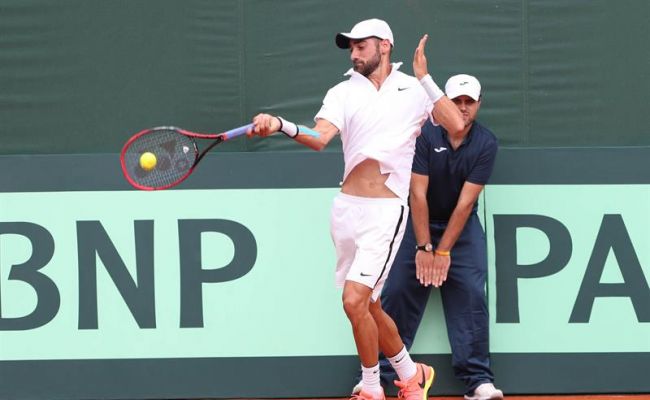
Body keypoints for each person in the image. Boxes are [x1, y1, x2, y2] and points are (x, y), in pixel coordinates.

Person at [248, 18, 464, 400]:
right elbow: (320, 138)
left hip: (386, 212)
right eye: (351, 47)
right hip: (347, 210)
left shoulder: (412, 89)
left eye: (360, 45)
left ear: (384, 45)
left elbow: (455, 125)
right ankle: (413, 375)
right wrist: (280, 124)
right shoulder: (342, 92)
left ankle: (370, 387)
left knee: (352, 300)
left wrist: (426, 79)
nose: (354, 52)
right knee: (371, 304)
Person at [352, 74, 503, 400]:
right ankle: (380, 377)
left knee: (472, 295)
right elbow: (416, 194)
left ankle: (478, 381)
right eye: (456, 101)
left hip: (460, 231)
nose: (463, 108)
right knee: (392, 294)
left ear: (479, 104)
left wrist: (442, 252)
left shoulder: (486, 143)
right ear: (443, 102)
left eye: (469, 102)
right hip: (414, 225)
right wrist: (424, 247)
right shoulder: (423, 135)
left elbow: (465, 205)